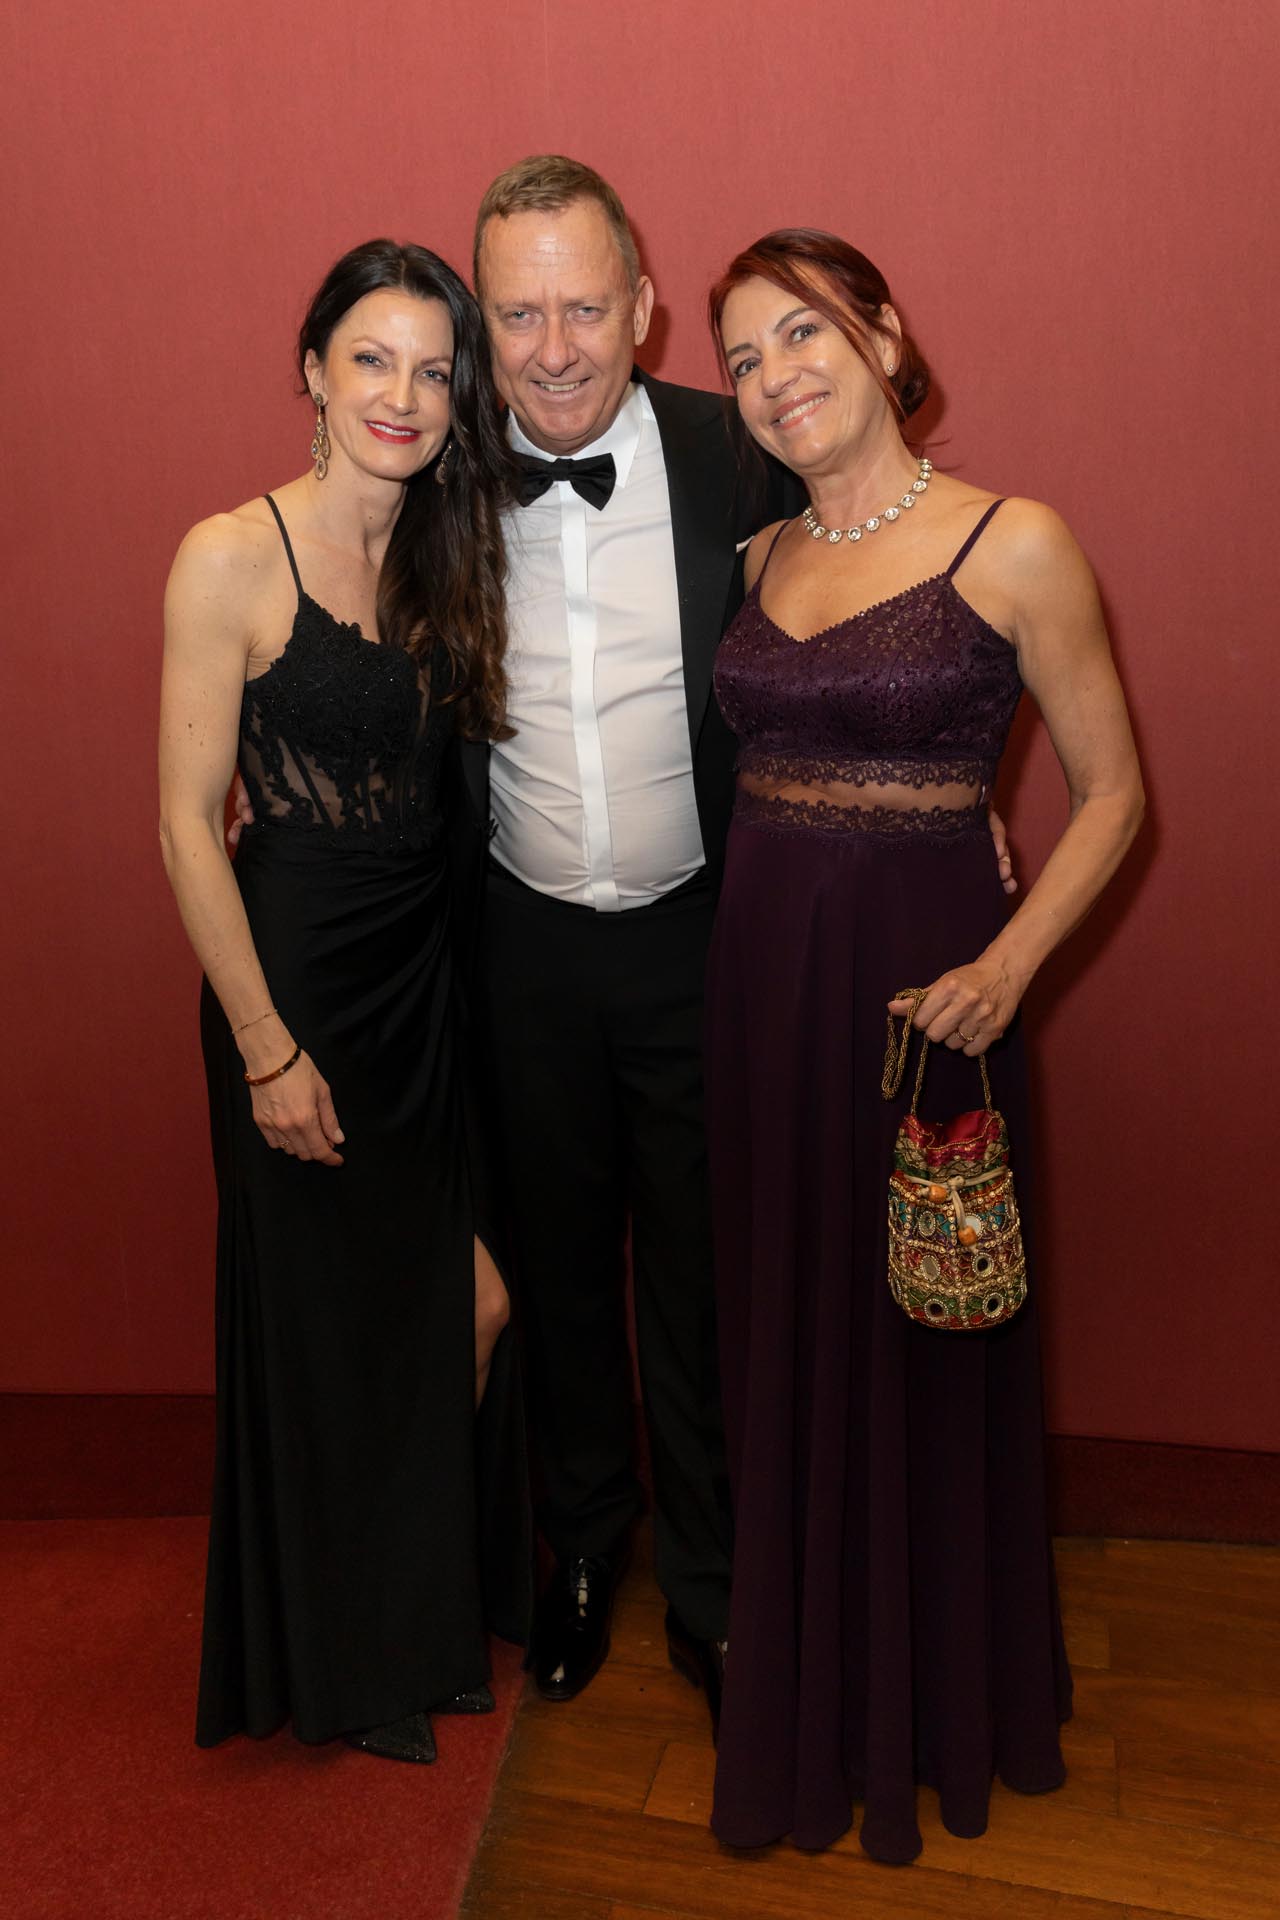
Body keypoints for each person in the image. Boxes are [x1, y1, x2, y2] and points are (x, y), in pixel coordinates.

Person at [454, 158, 1014, 1732]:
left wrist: (958, 783)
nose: (553, 348)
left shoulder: (745, 450)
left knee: (705, 1274)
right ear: (482, 325)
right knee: (559, 1264)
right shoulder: (436, 475)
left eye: (584, 307)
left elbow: (882, 608)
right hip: (519, 940)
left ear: (642, 308)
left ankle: (713, 1585)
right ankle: (584, 1546)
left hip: (712, 936)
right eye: (518, 316)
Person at [704, 229, 1144, 1862]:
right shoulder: (753, 554)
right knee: (787, 1327)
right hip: (760, 999)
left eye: (803, 333)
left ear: (884, 335)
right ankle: (810, 1696)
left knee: (923, 1333)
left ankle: (941, 1707)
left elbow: (1116, 793)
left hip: (927, 1007)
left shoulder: (1014, 541)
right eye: (744, 358)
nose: (776, 377)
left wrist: (1007, 970)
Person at [159, 239, 530, 1766]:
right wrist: (265, 1050)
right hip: (294, 991)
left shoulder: (453, 554)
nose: (403, 394)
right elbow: (186, 826)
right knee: (323, 1330)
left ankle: (401, 1601)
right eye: (372, 358)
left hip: (423, 993)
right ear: (311, 371)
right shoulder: (228, 556)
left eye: (434, 370)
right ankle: (351, 1651)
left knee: (462, 1301)